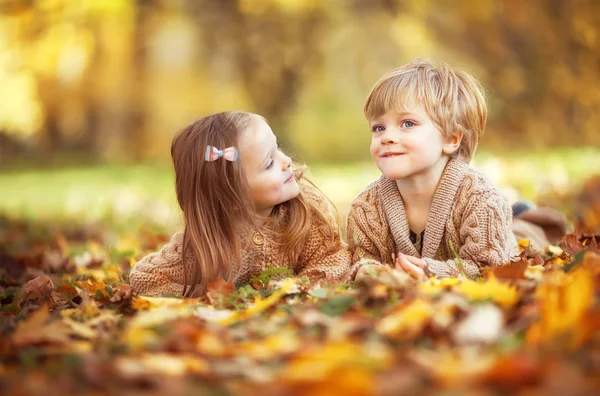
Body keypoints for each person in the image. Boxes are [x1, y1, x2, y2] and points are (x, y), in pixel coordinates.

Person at [348, 58, 566, 281]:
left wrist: (431, 272)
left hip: (507, 240)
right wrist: (368, 270)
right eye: (379, 127)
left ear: (451, 139)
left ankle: (524, 214)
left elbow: (489, 266)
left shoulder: (482, 200)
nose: (387, 137)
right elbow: (362, 258)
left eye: (408, 124)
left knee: (526, 238)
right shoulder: (366, 208)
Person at [130, 111, 352, 297]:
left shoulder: (306, 210)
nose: (286, 161)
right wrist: (205, 297)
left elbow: (333, 259)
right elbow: (146, 278)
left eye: (278, 148)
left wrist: (294, 291)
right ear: (231, 198)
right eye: (269, 163)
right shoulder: (205, 241)